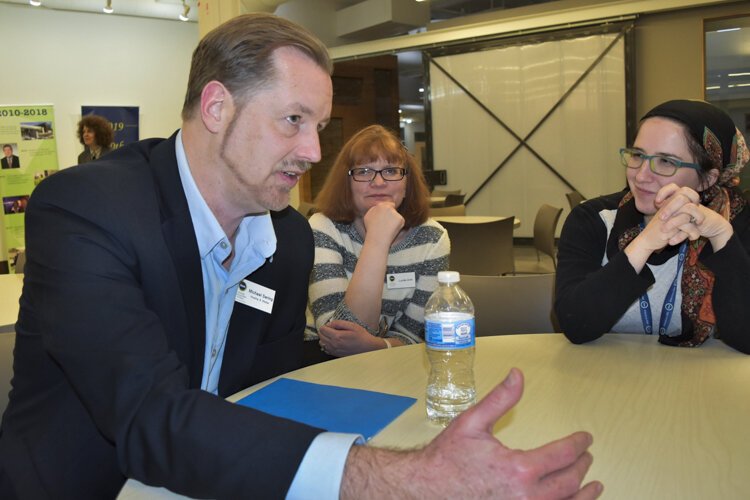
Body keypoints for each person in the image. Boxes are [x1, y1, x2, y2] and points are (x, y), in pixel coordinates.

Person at [0, 13, 601, 499]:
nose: (314, 151)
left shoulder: (285, 239)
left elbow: (269, 392)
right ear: (216, 108)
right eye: (293, 120)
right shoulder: (88, 208)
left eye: (318, 125)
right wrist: (409, 478)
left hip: (222, 475)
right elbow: (147, 416)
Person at [555, 99, 750, 354]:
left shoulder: (739, 224)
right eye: (638, 155)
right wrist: (645, 243)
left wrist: (722, 237)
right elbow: (575, 325)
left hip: (701, 384)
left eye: (667, 161)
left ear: (707, 179)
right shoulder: (593, 219)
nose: (641, 175)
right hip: (606, 379)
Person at [306, 124, 449, 358]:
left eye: (391, 171)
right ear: (347, 182)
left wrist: (376, 346)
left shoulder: (432, 238)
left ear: (407, 181)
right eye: (363, 171)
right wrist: (377, 239)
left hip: (397, 362)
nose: (379, 182)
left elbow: (416, 336)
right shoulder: (323, 227)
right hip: (321, 363)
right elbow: (337, 336)